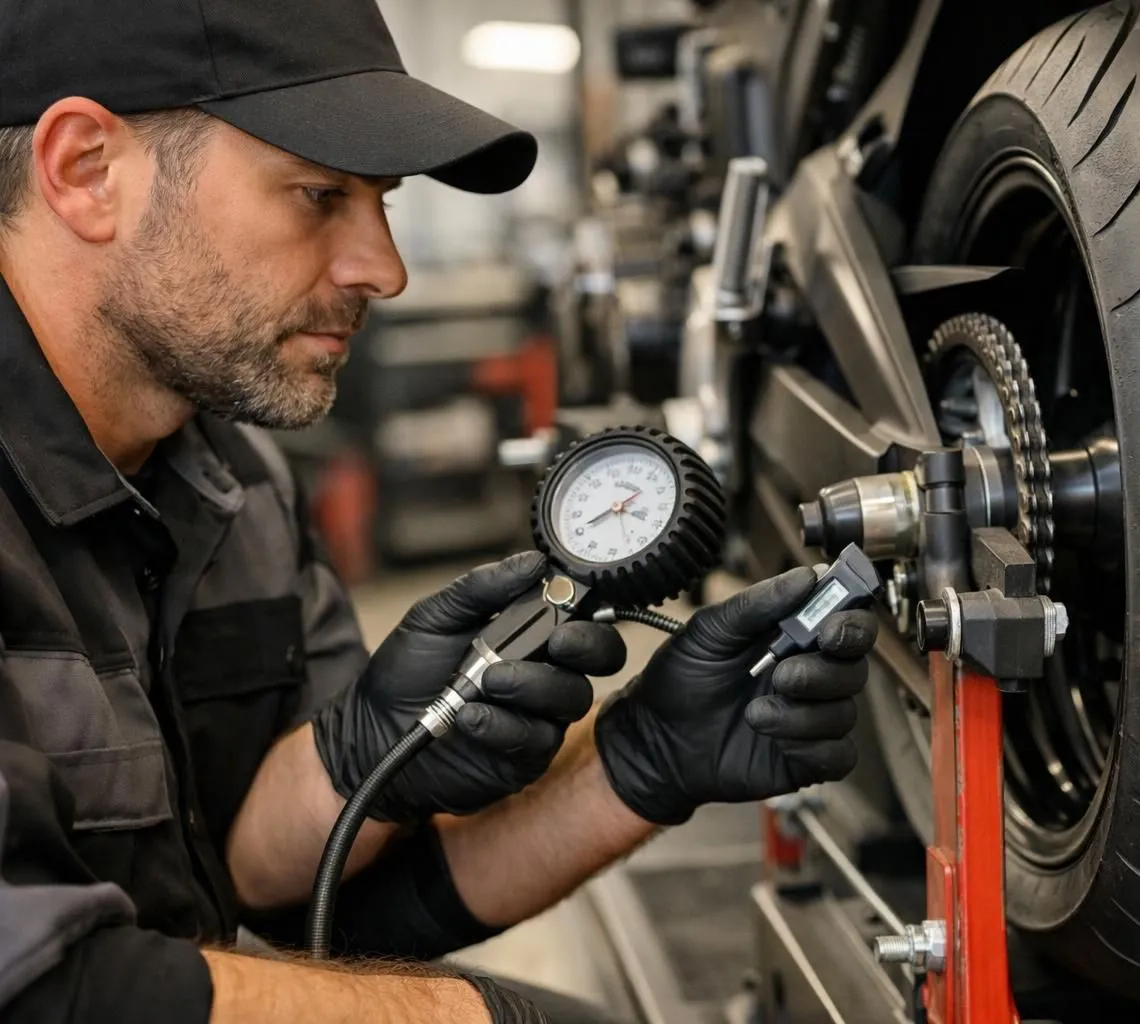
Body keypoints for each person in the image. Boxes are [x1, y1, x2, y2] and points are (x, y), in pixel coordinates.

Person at [0, 1, 880, 1022]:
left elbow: (301, 908)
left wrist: (636, 762)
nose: (385, 267)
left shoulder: (228, 486)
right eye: (320, 194)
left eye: (380, 203)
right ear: (85, 172)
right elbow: (43, 991)